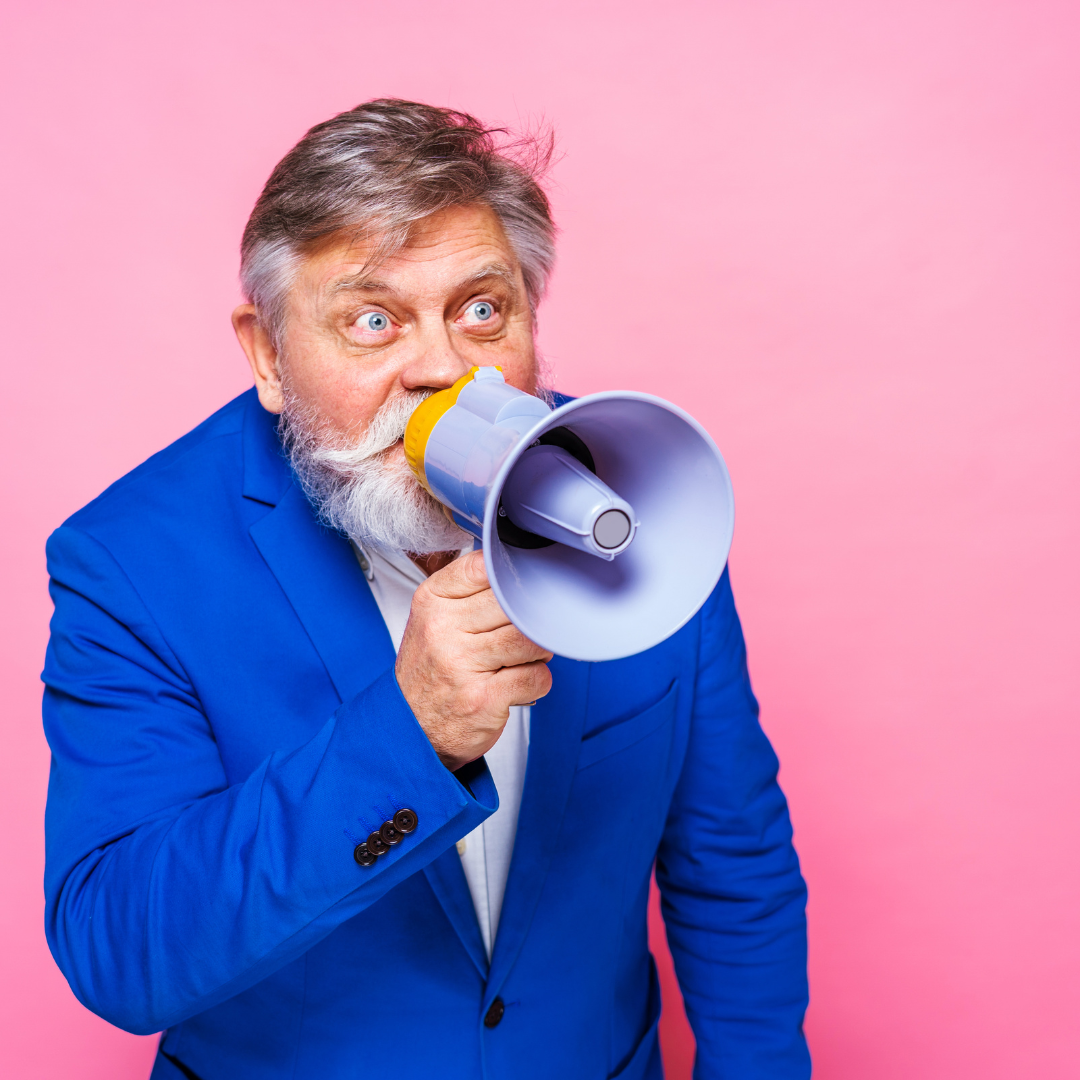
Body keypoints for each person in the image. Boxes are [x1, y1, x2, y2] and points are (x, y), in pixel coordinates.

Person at [42, 99, 810, 1080]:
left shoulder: (639, 492)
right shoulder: (134, 563)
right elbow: (121, 954)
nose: (445, 370)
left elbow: (731, 865)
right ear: (270, 354)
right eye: (374, 320)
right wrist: (411, 732)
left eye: (481, 309)